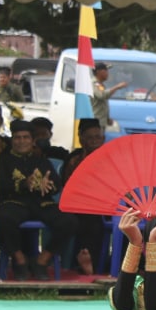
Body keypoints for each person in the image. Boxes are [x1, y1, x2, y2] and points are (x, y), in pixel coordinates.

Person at [0, 120, 75, 280]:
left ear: (32, 141)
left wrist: (48, 185)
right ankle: (20, 261)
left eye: (26, 138)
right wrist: (25, 184)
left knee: (69, 221)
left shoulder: (41, 161)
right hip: (15, 203)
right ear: (12, 140)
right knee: (2, 219)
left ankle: (41, 261)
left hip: (41, 204)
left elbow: (57, 185)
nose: (21, 141)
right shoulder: (3, 160)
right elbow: (1, 185)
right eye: (17, 138)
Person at [62, 118, 108, 276]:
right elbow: (70, 187)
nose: (95, 141)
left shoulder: (110, 157)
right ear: (81, 139)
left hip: (109, 204)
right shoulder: (74, 160)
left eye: (98, 137)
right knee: (90, 223)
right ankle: (87, 266)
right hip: (81, 206)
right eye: (90, 138)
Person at [91, 62, 129, 127]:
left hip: (101, 121)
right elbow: (102, 95)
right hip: (95, 122)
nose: (107, 73)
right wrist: (117, 87)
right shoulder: (94, 83)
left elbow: (103, 103)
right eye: (105, 70)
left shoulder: (100, 84)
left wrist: (107, 118)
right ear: (98, 72)